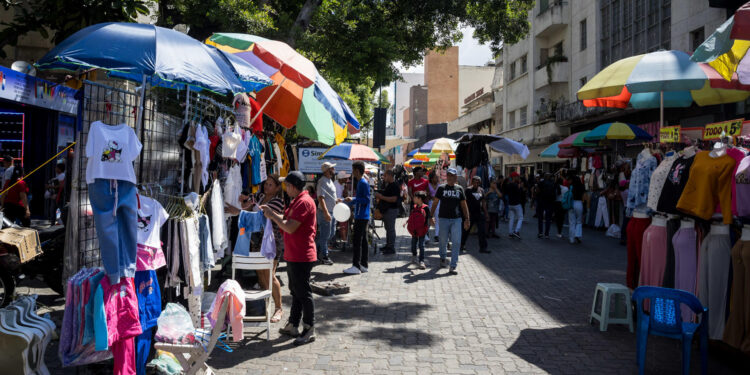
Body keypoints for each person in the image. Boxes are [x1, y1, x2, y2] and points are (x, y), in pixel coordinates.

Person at [262, 171, 317, 345]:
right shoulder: (297, 200)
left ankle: (309, 328)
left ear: (293, 186)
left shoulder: (303, 202)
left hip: (302, 254)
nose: (284, 188)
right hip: (294, 253)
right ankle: (293, 324)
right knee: (296, 291)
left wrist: (272, 215)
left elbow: (290, 227)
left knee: (303, 292)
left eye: (286, 185)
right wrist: (272, 214)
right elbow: (286, 220)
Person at [226, 175, 287, 323]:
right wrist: (244, 202)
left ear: (278, 188)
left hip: (271, 242)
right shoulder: (260, 197)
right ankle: (266, 301)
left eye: (271, 185)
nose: (267, 187)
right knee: (260, 272)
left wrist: (238, 212)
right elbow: (249, 207)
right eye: (266, 184)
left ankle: (279, 308)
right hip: (257, 241)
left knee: (270, 274)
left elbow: (260, 217)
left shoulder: (278, 202)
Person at [430, 168, 469, 274]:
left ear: (456, 177)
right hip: (443, 219)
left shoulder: (459, 189)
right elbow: (435, 203)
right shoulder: (441, 188)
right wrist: (430, 216)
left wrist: (467, 219)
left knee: (456, 242)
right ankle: (442, 257)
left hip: (456, 219)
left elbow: (464, 205)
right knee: (443, 241)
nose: (451, 178)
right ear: (446, 177)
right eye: (449, 176)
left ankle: (453, 265)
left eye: (453, 176)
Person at [343, 161, 371, 275]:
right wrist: (346, 200)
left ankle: (356, 265)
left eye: (353, 170)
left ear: (357, 171)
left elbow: (366, 200)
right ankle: (363, 264)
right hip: (362, 214)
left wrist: (353, 200)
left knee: (357, 240)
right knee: (363, 240)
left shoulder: (362, 183)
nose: (352, 172)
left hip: (361, 215)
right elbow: (360, 199)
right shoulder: (362, 182)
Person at [315, 162, 337, 265]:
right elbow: (321, 198)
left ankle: (316, 249)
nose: (334, 169)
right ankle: (324, 256)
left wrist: (337, 201)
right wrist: (326, 212)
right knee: (325, 234)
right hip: (325, 212)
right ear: (328, 170)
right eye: (332, 168)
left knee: (330, 233)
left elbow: (329, 196)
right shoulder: (322, 181)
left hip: (332, 211)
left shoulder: (329, 180)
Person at [461, 175, 489, 253]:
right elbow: (464, 202)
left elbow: (483, 203)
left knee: (482, 231)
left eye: (478, 182)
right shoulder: (467, 190)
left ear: (480, 182)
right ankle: (461, 245)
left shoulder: (482, 190)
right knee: (466, 231)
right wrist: (465, 214)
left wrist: (486, 213)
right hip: (470, 214)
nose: (476, 183)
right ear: (472, 182)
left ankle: (483, 248)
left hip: (480, 214)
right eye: (474, 181)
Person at [374, 168, 400, 254]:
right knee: (388, 229)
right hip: (387, 210)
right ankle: (388, 245)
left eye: (385, 176)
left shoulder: (395, 185)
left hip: (391, 210)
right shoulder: (388, 185)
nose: (383, 177)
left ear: (389, 175)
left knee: (390, 229)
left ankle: (391, 247)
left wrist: (381, 197)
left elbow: (394, 199)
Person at [407, 190, 430, 269]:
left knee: (421, 245)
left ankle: (421, 261)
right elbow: (411, 217)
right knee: (413, 245)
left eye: (415, 197)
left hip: (422, 230)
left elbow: (427, 219)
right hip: (414, 230)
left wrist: (426, 229)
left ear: (419, 199)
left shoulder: (426, 208)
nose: (413, 198)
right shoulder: (413, 207)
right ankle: (414, 255)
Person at [536, 173, 557, 239]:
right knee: (548, 218)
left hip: (541, 201)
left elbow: (537, 191)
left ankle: (540, 233)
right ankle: (547, 234)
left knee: (540, 218)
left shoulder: (541, 183)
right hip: (550, 202)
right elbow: (555, 193)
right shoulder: (553, 183)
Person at [504, 172, 524, 239]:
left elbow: (505, 191)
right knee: (520, 217)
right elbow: (519, 193)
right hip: (516, 204)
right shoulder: (515, 185)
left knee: (511, 218)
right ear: (514, 177)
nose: (518, 178)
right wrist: (520, 187)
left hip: (510, 204)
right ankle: (516, 231)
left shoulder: (508, 185)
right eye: (517, 177)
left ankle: (510, 233)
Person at [568, 172, 585, 244]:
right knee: (579, 222)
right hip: (579, 203)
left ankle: (571, 238)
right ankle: (578, 235)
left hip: (572, 203)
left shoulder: (571, 187)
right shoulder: (582, 186)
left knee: (572, 222)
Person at [427, 170, 440, 242]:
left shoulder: (439, 185)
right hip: (430, 203)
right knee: (429, 218)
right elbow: (427, 194)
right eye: (435, 178)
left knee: (438, 218)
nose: (437, 179)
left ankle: (437, 235)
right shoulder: (428, 185)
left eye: (437, 178)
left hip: (438, 203)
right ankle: (426, 233)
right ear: (431, 179)